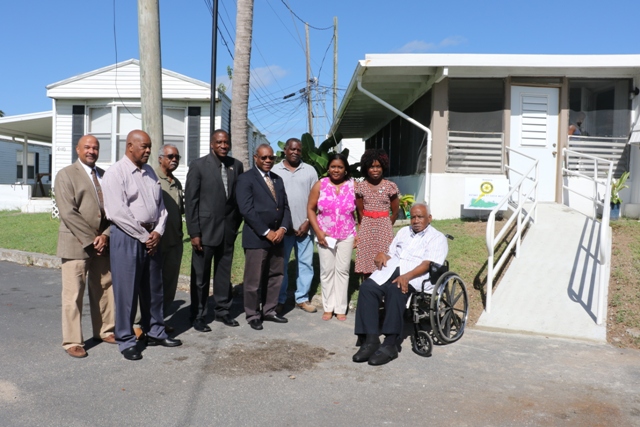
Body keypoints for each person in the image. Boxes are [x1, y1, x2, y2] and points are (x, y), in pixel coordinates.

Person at [102, 130, 182, 361]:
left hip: (151, 236)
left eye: (149, 147)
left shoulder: (148, 172)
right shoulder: (116, 173)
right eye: (144, 147)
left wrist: (157, 231)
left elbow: (161, 208)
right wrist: (143, 235)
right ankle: (126, 339)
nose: (148, 151)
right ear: (130, 146)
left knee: (153, 288)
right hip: (128, 236)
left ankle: (155, 330)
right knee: (127, 292)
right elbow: (117, 212)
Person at [352, 203, 448, 366]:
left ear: (429, 218)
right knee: (368, 287)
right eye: (413, 217)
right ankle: (371, 339)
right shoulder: (404, 232)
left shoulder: (437, 237)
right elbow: (391, 253)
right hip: (393, 269)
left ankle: (390, 344)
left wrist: (407, 277)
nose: (416, 220)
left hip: (416, 274)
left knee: (395, 290)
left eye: (420, 217)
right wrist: (383, 255)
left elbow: (427, 264)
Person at [55, 135, 116, 358]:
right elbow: (68, 212)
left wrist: (106, 235)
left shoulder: (104, 176)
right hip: (76, 244)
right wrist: (93, 239)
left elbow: (113, 210)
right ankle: (72, 341)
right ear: (78, 149)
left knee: (105, 288)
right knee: (73, 294)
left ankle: (105, 330)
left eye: (95, 148)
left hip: (103, 244)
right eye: (87, 147)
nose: (91, 151)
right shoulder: (66, 175)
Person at [185, 129, 244, 332]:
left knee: (223, 274)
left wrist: (235, 226)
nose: (223, 145)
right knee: (200, 278)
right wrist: (194, 232)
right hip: (204, 232)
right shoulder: (199, 166)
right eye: (219, 142)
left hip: (227, 232)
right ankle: (198, 315)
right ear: (212, 144)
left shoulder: (236, 166)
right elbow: (191, 202)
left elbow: (237, 200)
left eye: (226, 142)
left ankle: (222, 311)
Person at [236, 144, 292, 330]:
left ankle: (269, 310)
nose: (268, 161)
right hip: (257, 238)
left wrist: (283, 229)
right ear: (255, 158)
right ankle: (252, 314)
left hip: (278, 237)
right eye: (264, 158)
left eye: (271, 158)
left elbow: (284, 207)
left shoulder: (278, 179)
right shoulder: (246, 179)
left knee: (276, 275)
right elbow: (247, 210)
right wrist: (267, 233)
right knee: (254, 280)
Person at [307, 153, 356, 321]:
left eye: (340, 167)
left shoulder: (353, 185)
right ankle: (328, 307)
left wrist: (358, 233)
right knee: (327, 271)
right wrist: (318, 231)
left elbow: (359, 212)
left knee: (343, 271)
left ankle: (340, 308)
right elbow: (310, 209)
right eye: (333, 166)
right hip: (325, 235)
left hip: (346, 234)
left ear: (345, 169)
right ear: (328, 168)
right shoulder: (320, 185)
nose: (336, 170)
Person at [272, 138, 318, 314]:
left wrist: (307, 222)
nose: (295, 152)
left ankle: (302, 298)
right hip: (283, 229)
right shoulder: (276, 170)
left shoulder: (310, 171)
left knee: (306, 264)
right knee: (281, 265)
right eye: (292, 149)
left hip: (305, 228)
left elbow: (317, 199)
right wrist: (284, 225)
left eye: (298, 150)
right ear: (285, 150)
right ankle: (280, 299)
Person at [355, 149, 400, 279]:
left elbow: (395, 212)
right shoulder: (361, 187)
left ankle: (383, 285)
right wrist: (365, 227)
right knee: (368, 258)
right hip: (367, 226)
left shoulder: (390, 186)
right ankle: (368, 287)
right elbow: (360, 211)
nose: (375, 170)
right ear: (366, 168)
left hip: (384, 226)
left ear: (383, 167)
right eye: (371, 167)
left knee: (385, 257)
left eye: (378, 166)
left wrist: (385, 223)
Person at [155, 144, 184, 328]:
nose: (174, 160)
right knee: (153, 284)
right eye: (170, 156)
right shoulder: (152, 178)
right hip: (158, 242)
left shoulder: (177, 182)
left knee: (170, 283)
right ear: (160, 158)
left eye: (177, 157)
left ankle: (161, 320)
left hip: (175, 241)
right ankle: (142, 322)